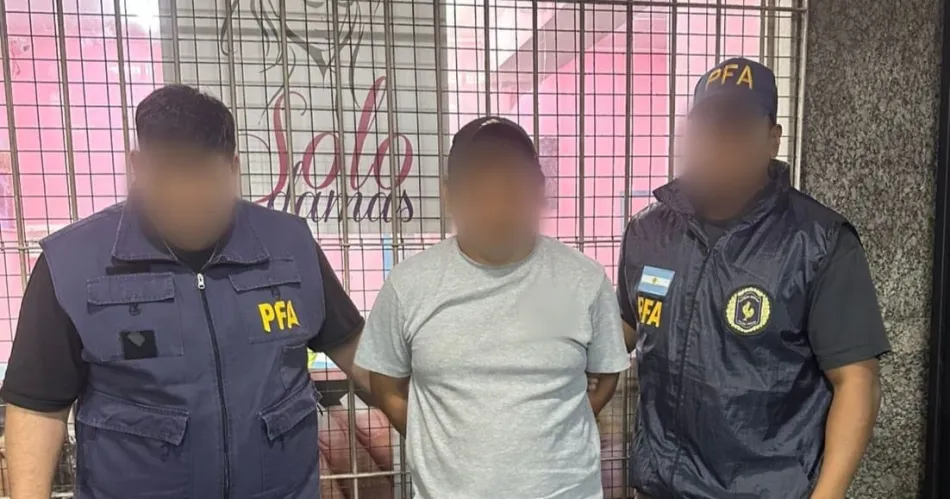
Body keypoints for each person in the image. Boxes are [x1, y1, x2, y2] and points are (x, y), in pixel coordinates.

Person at [0, 84, 370, 499]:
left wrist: (419, 415)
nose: (185, 198)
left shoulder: (289, 245)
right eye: (167, 177)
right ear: (138, 166)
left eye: (203, 179)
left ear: (234, 168)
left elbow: (357, 350)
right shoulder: (72, 264)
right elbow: (37, 406)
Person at [617, 58, 890, 499]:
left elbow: (856, 381)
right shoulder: (649, 232)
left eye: (737, 131)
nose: (718, 145)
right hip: (661, 488)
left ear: (772, 140)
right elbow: (625, 329)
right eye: (706, 129)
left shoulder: (818, 243)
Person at [355, 117, 631, 499]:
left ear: (539, 190)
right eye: (478, 192)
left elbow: (606, 374)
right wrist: (444, 447)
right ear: (449, 195)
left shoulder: (584, 279)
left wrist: (552, 432)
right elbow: (388, 387)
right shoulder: (409, 285)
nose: (497, 210)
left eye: (512, 189)